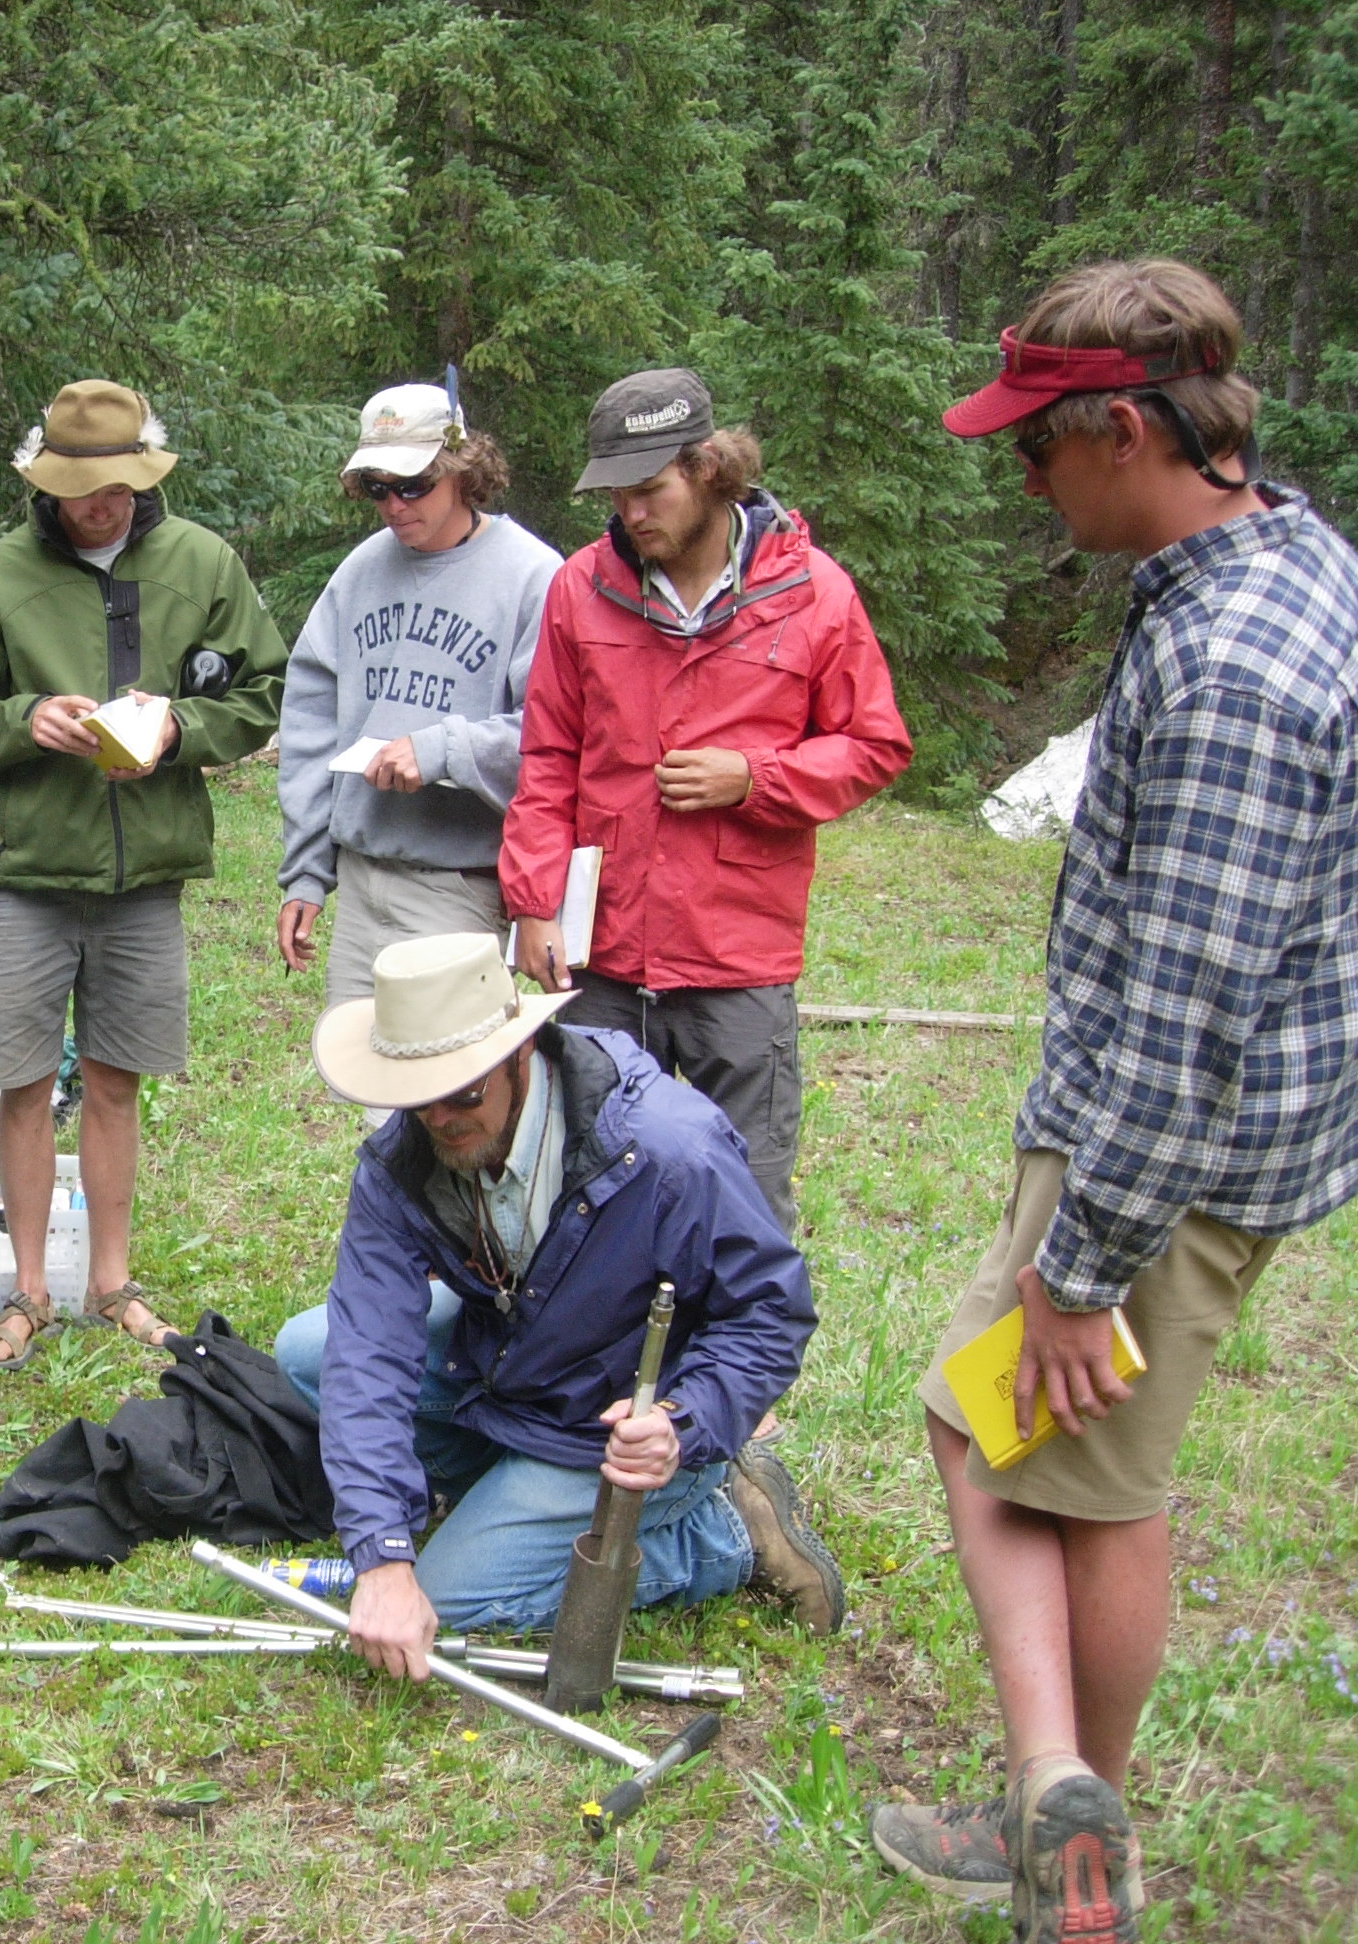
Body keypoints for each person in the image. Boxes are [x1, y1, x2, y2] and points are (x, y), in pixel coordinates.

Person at [867, 261, 1358, 1944]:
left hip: (1160, 1163)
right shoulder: (1272, 566)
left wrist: (1079, 1265)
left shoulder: (1234, 669)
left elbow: (1186, 1018)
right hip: (1190, 1143)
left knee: (1025, 1442)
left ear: (1121, 425)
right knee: (1048, 1450)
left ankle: (1061, 1805)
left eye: (1033, 452)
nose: (1020, 484)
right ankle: (1060, 1790)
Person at [271, 932, 843, 1667]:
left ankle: (721, 1529)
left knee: (449, 1598)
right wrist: (381, 1557)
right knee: (309, 1351)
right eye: (415, 1099)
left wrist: (685, 1421)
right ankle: (504, 1484)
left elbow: (770, 1314)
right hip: (515, 1370)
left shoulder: (668, 1147)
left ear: (520, 1051)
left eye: (463, 1092)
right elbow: (367, 1351)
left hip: (619, 1430)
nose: (440, 1119)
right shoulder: (399, 1160)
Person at [0, 380, 288, 1368]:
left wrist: (181, 728)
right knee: (23, 1083)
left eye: (122, 484)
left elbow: (264, 691)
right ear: (47, 482)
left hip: (144, 878)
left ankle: (111, 1283)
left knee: (117, 1083)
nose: (104, 503)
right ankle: (28, 1292)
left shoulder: (201, 562)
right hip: (26, 876)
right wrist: (19, 721)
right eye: (84, 487)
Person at [501, 370, 912, 1231]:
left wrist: (756, 779)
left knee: (747, 1200)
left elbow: (874, 745)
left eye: (650, 490)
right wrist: (534, 906)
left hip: (739, 954)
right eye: (616, 493)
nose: (632, 513)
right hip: (603, 952)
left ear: (709, 470)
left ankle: (732, 1364)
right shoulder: (583, 587)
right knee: (590, 1185)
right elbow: (549, 758)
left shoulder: (811, 591)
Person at [274, 380, 560, 1005]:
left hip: (459, 886)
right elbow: (308, 724)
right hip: (361, 875)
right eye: (377, 488)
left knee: (449, 1092)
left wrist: (441, 750)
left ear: (462, 470)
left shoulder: (534, 577)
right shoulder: (360, 572)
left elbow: (556, 740)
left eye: (413, 485)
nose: (395, 505)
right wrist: (305, 875)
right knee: (364, 1082)